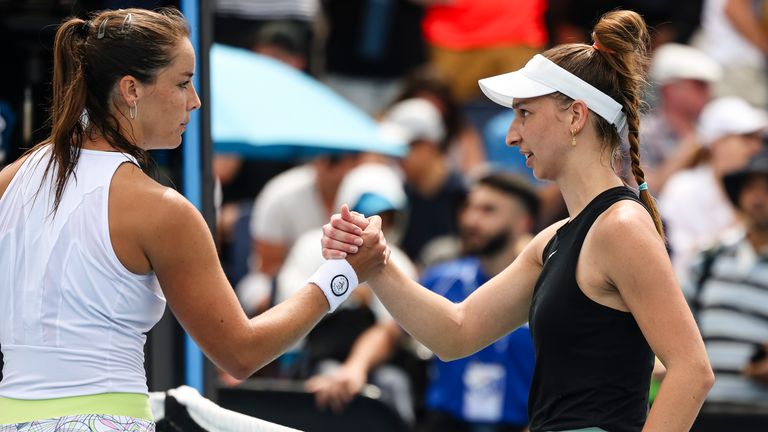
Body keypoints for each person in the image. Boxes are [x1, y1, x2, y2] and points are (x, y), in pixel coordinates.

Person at [321, 10, 714, 431]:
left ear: (576, 116)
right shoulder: (554, 240)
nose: (511, 135)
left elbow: (692, 370)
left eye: (525, 113)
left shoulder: (621, 226)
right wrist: (377, 265)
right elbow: (455, 333)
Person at [0, 8, 386, 429]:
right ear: (131, 89)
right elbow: (241, 353)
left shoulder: (10, 180)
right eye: (183, 82)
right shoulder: (163, 211)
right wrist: (342, 274)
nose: (196, 100)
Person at [417, 171, 538, 432]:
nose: (471, 219)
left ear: (522, 223)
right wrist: (356, 368)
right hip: (445, 424)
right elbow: (390, 333)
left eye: (488, 210)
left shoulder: (547, 292)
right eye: (469, 208)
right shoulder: (442, 278)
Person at [683, 149, 768, 411]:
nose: (758, 198)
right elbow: (679, 326)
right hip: (705, 413)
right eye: (751, 188)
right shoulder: (709, 258)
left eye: (766, 189)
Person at [659, 96, 767, 277]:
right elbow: (682, 262)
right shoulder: (682, 189)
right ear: (717, 143)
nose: (756, 147)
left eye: (758, 139)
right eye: (746, 138)